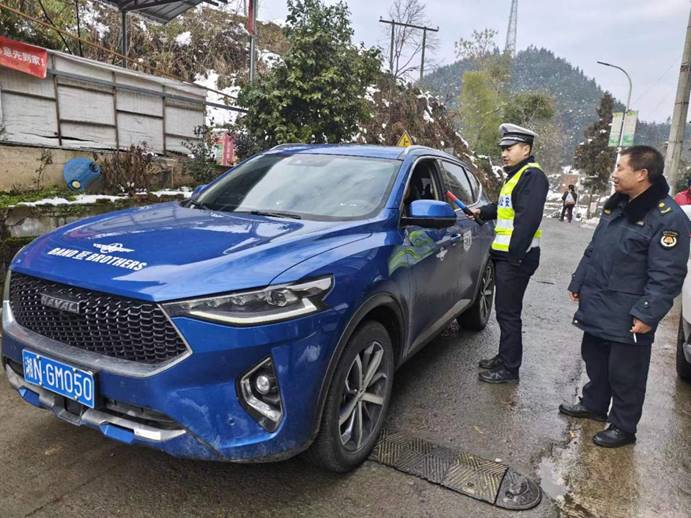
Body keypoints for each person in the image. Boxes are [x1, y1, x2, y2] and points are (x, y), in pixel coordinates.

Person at [560, 145, 689, 447]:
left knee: (626, 372)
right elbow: (595, 248)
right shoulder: (617, 205)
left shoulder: (667, 218)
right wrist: (579, 279)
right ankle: (594, 404)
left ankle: (623, 426)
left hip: (629, 310)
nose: (614, 174)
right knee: (595, 358)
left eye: (620, 168)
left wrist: (647, 312)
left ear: (642, 174)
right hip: (600, 301)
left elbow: (667, 274)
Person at [471, 123, 549, 384]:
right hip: (506, 255)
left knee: (508, 313)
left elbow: (527, 221)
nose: (504, 153)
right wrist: (482, 212)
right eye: (502, 148)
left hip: (516, 258)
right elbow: (506, 208)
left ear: (526, 149)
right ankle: (504, 358)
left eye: (510, 148)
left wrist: (514, 257)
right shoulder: (516, 175)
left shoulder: (532, 176)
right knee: (504, 311)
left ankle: (510, 369)